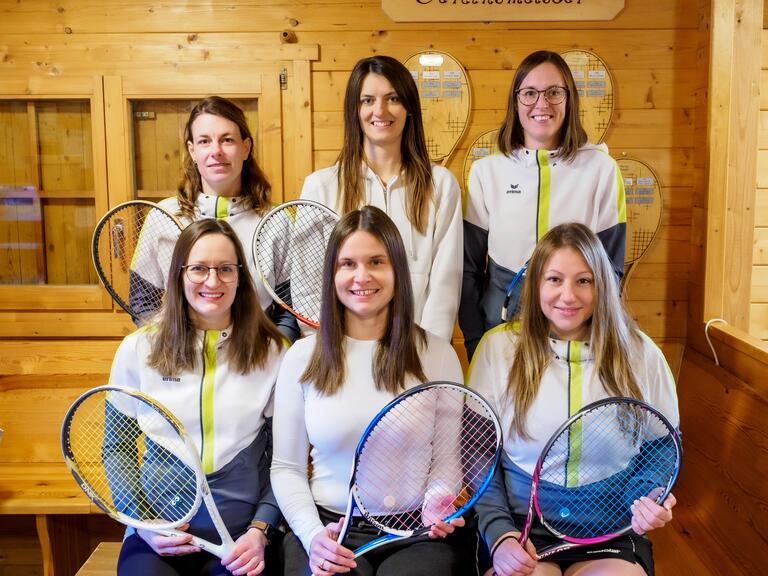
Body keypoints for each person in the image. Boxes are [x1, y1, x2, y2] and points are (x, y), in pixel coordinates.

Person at [468, 223, 678, 576]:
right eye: (554, 279)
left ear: (602, 286)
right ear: (536, 284)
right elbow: (477, 451)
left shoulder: (642, 353)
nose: (568, 296)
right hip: (520, 533)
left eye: (584, 281)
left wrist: (647, 497)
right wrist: (500, 535)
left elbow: (661, 445)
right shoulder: (497, 349)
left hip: (611, 533)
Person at [271, 206, 469, 576]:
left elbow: (446, 460)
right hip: (329, 528)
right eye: (348, 264)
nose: (362, 276)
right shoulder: (300, 358)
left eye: (377, 261)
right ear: (332, 274)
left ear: (397, 271)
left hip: (417, 534)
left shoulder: (438, 355)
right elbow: (287, 468)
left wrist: (437, 501)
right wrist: (313, 536)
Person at [110, 219, 286, 576]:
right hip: (157, 535)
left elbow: (283, 459)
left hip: (243, 538)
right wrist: (143, 525)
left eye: (225, 269)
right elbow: (118, 448)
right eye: (199, 269)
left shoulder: (274, 352)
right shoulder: (137, 349)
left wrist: (260, 529)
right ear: (179, 274)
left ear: (240, 277)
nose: (212, 281)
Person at [460, 50, 626, 360]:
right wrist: (474, 340)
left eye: (553, 92)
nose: (542, 103)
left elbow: (611, 271)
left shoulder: (602, 170)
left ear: (569, 99)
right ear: (515, 102)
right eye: (530, 93)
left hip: (576, 340)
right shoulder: (487, 172)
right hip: (501, 336)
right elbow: (468, 270)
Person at [300, 55, 462, 342]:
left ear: (409, 108)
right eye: (368, 100)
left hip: (416, 350)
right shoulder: (320, 187)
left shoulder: (440, 184)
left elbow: (446, 280)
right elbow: (308, 284)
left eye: (393, 99)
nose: (380, 110)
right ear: (355, 110)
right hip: (342, 351)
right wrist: (336, 346)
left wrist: (428, 349)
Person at [131, 95, 299, 341]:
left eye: (227, 140)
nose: (216, 151)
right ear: (192, 151)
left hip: (254, 356)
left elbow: (290, 310)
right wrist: (172, 345)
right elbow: (142, 302)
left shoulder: (277, 220)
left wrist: (272, 353)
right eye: (204, 141)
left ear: (246, 148)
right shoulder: (163, 216)